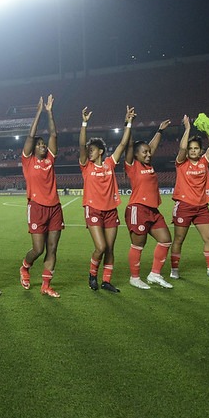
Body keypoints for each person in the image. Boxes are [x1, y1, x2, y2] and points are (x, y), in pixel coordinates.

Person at [79, 105, 135, 293]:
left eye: (93, 150)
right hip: (93, 209)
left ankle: (106, 281)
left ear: (101, 151)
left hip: (111, 210)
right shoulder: (86, 166)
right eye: (89, 150)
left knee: (110, 248)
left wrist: (128, 123)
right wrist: (84, 123)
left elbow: (122, 145)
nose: (89, 152)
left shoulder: (110, 163)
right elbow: (81, 145)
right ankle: (92, 276)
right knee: (101, 247)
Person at [169, 115, 209, 279]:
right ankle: (174, 270)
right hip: (184, 206)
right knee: (179, 239)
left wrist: (206, 129)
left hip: (202, 207)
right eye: (191, 149)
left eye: (196, 148)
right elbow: (181, 149)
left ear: (200, 150)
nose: (193, 151)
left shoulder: (204, 162)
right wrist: (188, 128)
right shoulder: (181, 163)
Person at [123, 119, 175, 289]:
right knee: (138, 245)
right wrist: (128, 124)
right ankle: (135, 278)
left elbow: (152, 146)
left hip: (153, 210)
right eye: (144, 152)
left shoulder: (148, 163)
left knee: (166, 240)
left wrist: (160, 130)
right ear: (136, 155)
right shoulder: (133, 166)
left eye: (149, 152)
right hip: (137, 209)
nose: (148, 154)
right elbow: (129, 145)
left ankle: (154, 274)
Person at [18, 95, 62, 298]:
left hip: (54, 208)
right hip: (36, 207)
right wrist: (38, 113)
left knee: (52, 249)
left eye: (45, 144)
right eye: (40, 144)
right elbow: (30, 136)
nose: (44, 146)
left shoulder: (50, 159)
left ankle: (46, 285)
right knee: (38, 248)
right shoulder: (28, 161)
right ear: (33, 148)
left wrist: (49, 112)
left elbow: (54, 134)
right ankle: (25, 267)